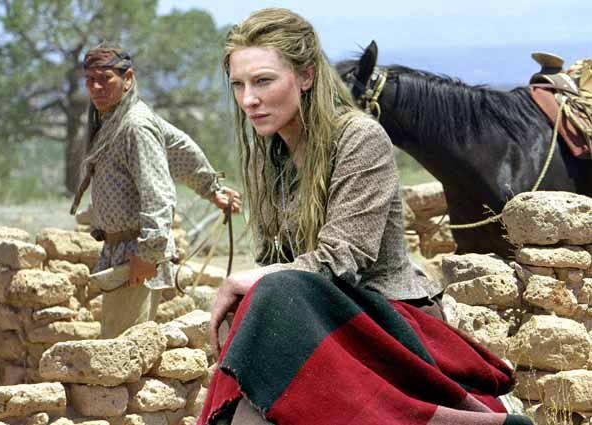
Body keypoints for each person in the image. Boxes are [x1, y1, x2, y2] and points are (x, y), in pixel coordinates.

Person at [200, 8, 532, 425]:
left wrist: (244, 282)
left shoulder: (359, 138)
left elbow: (341, 260)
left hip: (385, 318)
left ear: (306, 76)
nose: (249, 99)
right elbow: (277, 262)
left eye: (263, 81)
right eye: (238, 84)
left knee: (268, 299)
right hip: (315, 315)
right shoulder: (272, 155)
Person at [71, 43, 241, 339]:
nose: (96, 87)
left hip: (135, 254)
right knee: (119, 341)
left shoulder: (135, 125)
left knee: (122, 348)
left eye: (105, 78)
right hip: (119, 252)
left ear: (128, 79)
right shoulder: (116, 120)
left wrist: (148, 254)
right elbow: (178, 146)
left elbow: (158, 195)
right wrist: (212, 190)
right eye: (90, 80)